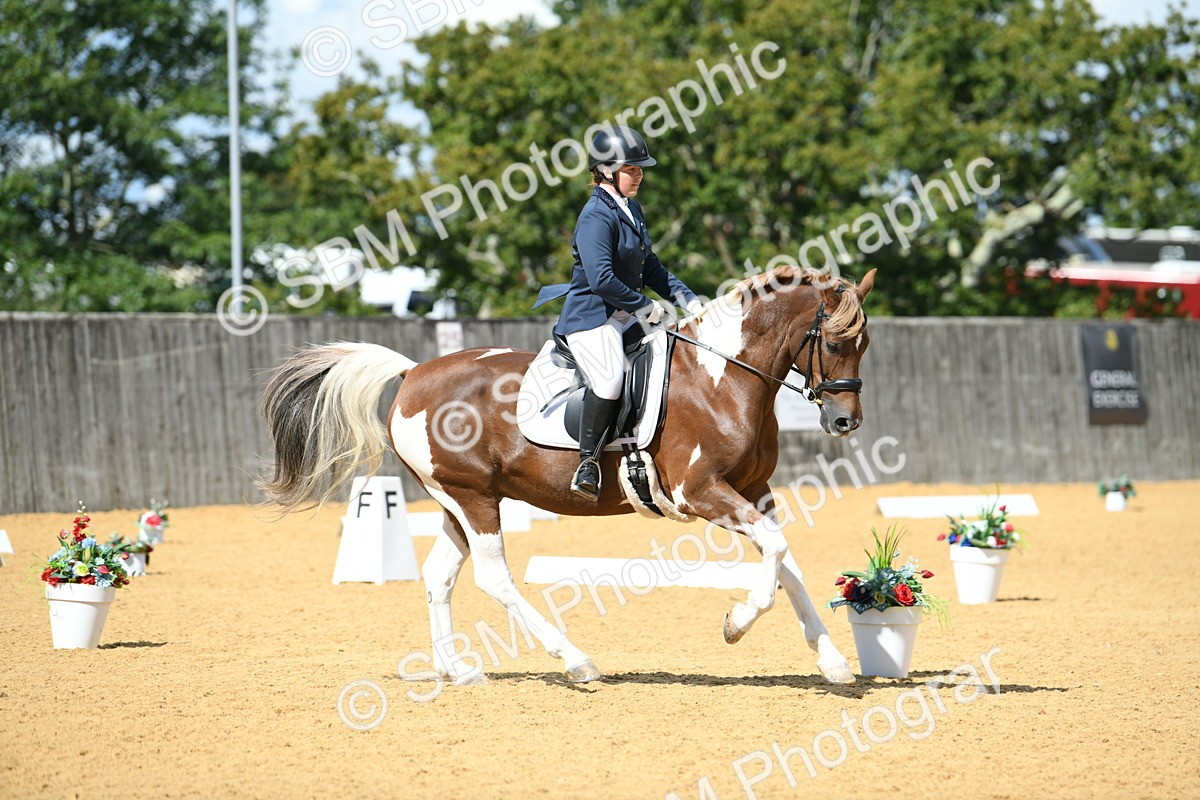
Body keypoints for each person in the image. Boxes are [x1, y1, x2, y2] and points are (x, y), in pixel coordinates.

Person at [544, 125, 703, 500]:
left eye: (640, 169)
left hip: (625, 315)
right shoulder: (595, 216)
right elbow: (601, 279)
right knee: (611, 379)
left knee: (672, 358)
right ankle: (588, 463)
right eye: (632, 169)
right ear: (606, 172)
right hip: (591, 318)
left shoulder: (631, 209)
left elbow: (651, 268)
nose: (639, 175)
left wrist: (688, 299)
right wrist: (646, 306)